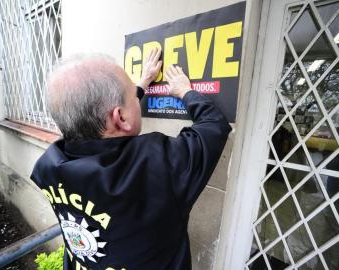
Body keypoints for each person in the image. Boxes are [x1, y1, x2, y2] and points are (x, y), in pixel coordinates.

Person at [31, 48, 231, 270]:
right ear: (120, 118)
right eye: (133, 97)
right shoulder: (160, 164)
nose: (137, 98)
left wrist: (142, 83)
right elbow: (213, 125)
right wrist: (185, 91)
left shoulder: (49, 166)